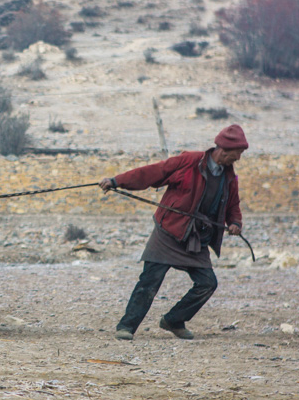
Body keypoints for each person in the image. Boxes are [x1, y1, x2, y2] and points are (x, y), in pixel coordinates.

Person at [99, 124, 248, 340]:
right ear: (223, 151)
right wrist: (116, 181)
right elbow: (152, 173)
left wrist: (235, 222)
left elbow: (233, 204)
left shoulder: (229, 177)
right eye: (237, 155)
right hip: (168, 232)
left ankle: (174, 320)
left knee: (208, 283)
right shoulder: (189, 161)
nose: (238, 160)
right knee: (149, 281)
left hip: (196, 238)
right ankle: (126, 327)